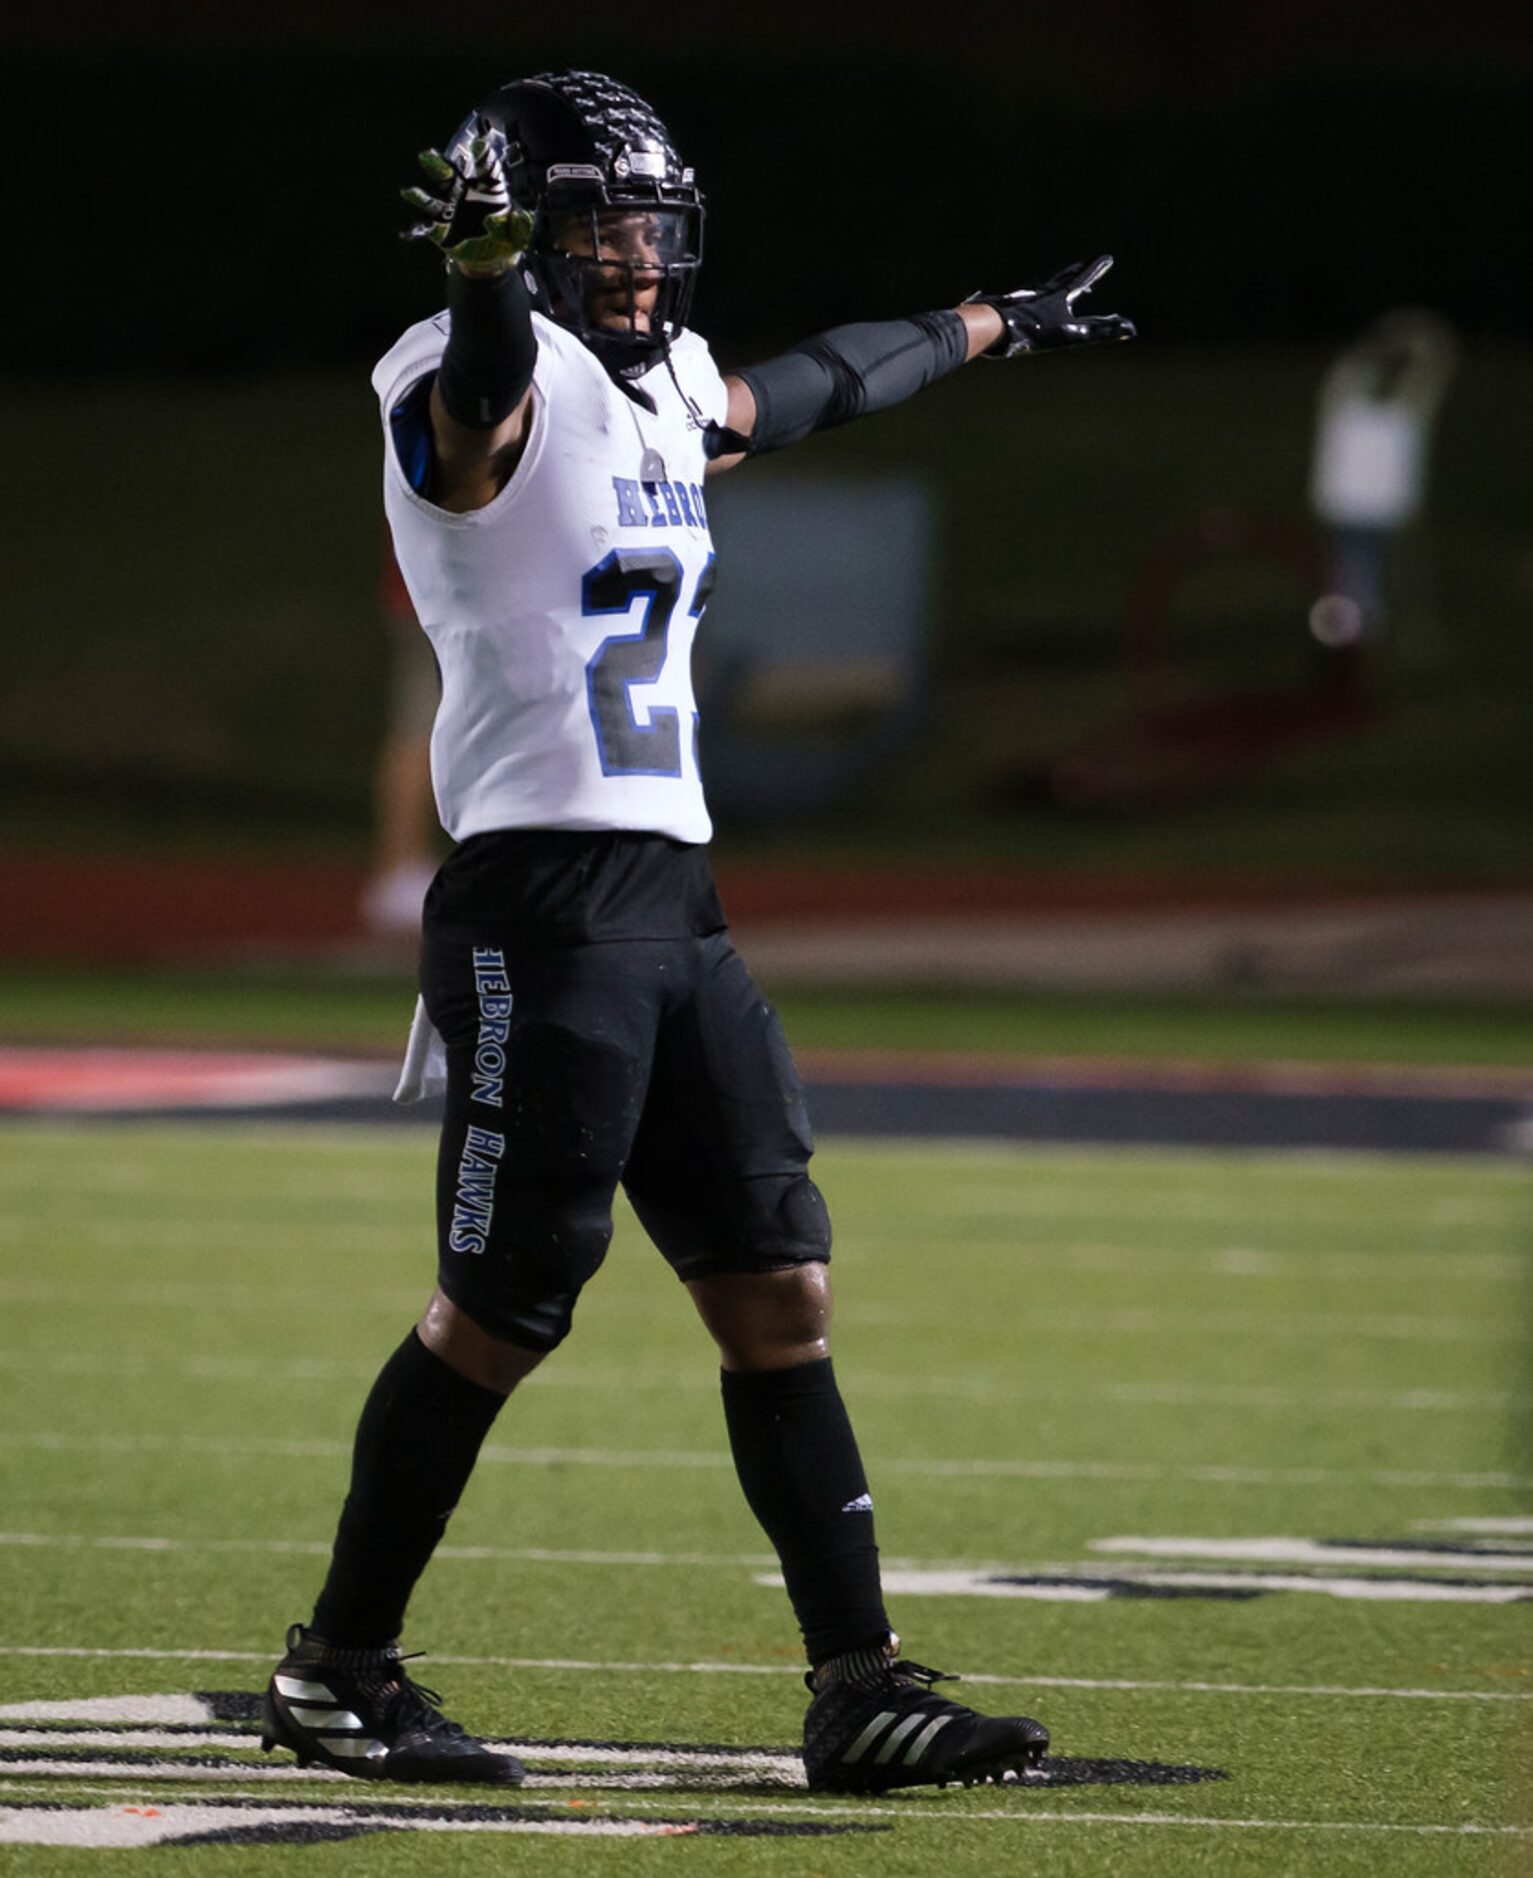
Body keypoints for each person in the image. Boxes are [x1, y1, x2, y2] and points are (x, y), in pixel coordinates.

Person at [262, 69, 1133, 1795]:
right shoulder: (468, 380)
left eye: (650, 225)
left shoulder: (661, 388)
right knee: (501, 1306)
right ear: (525, 232)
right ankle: (338, 1667)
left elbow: (802, 389)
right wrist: (488, 276)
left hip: (674, 897)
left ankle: (856, 1684)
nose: (640, 259)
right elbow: (490, 398)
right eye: (598, 226)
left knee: (776, 1286)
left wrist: (987, 325)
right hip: (540, 903)